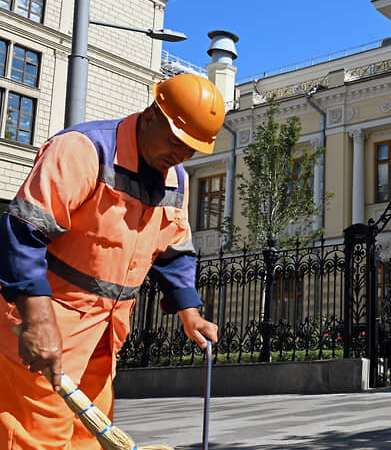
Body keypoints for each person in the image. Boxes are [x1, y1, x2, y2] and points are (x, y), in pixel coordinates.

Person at [0, 74, 225, 450]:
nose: (181, 155)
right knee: (38, 435)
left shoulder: (176, 179)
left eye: (190, 150)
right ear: (152, 114)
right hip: (48, 320)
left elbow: (174, 250)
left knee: (90, 435)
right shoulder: (82, 150)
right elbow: (23, 232)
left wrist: (191, 311)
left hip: (105, 332)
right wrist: (37, 322)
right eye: (175, 141)